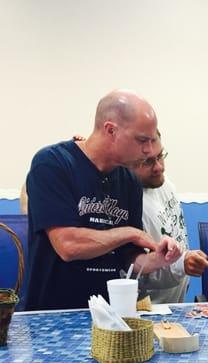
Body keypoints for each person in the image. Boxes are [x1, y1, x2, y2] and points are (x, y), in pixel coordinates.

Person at [25, 89, 183, 310]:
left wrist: (157, 260)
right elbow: (68, 245)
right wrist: (130, 232)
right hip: (53, 312)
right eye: (142, 140)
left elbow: (127, 256)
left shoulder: (129, 180)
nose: (148, 150)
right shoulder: (52, 164)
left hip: (110, 315)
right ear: (111, 130)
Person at [131, 135, 208, 303]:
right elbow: (132, 271)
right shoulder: (126, 203)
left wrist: (184, 263)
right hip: (146, 310)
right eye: (147, 161)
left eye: (160, 156)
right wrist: (181, 264)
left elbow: (177, 233)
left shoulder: (164, 183)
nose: (159, 167)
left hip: (174, 303)